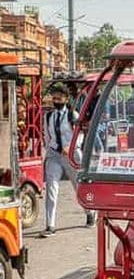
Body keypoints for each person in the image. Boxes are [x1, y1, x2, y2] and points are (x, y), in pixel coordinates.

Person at [42, 85, 96, 237]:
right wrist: (49, 150)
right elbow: (47, 136)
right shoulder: (48, 117)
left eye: (59, 98)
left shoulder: (73, 115)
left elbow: (80, 135)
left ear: (66, 99)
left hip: (71, 155)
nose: (56, 101)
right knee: (51, 188)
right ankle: (50, 225)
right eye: (54, 98)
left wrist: (71, 147)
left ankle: (90, 212)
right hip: (54, 155)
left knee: (78, 186)